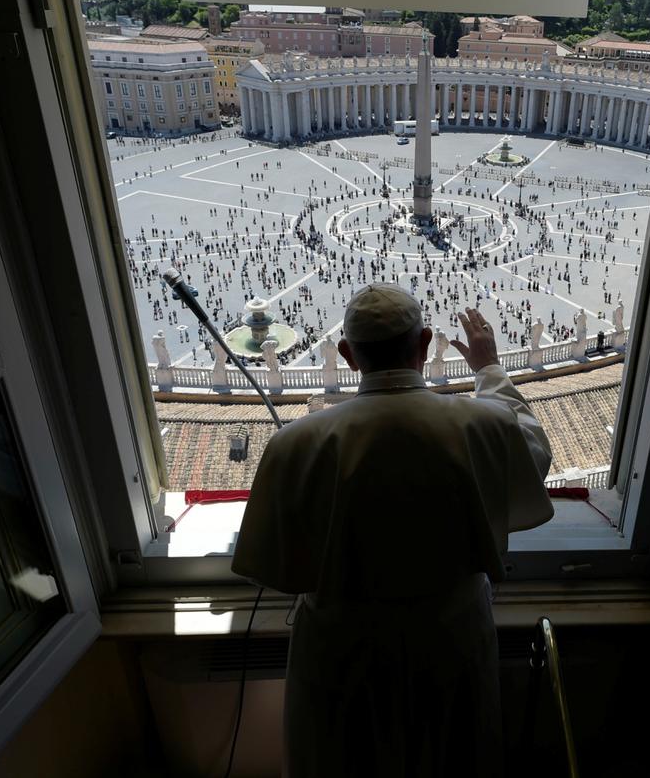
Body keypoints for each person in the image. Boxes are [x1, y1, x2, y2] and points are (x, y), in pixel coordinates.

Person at [232, 283, 554, 778]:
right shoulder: (481, 424)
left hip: (340, 652)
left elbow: (269, 565)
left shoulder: (295, 443)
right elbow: (533, 452)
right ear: (425, 344)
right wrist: (489, 370)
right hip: (452, 641)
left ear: (347, 354)